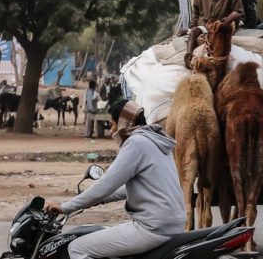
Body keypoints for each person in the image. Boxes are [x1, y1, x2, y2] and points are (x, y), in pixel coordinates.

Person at [46, 101, 185, 259]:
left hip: (152, 227)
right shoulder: (156, 141)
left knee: (77, 248)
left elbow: (106, 184)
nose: (112, 130)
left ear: (122, 123)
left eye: (112, 124)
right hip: (172, 223)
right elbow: (130, 188)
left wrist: (65, 207)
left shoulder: (136, 143)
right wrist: (98, 200)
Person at [185, 0, 244, 67]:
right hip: (205, 26)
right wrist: (191, 27)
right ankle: (188, 56)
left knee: (220, 43)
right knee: (194, 32)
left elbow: (239, 13)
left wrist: (228, 20)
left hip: (222, 26)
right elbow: (196, 13)